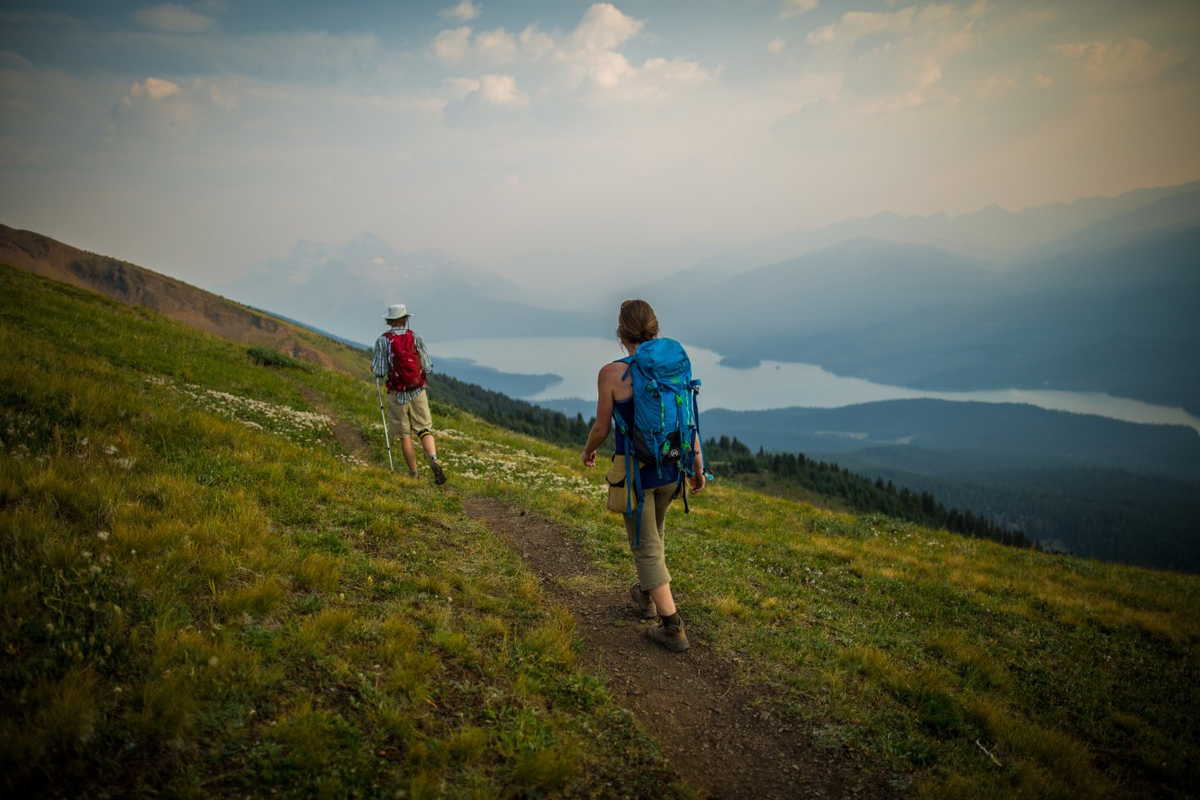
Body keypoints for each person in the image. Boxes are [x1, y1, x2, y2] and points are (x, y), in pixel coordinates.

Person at [582, 299, 705, 652]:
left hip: (635, 472)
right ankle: (648, 597)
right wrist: (697, 465)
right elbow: (688, 419)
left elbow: (602, 428)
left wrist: (589, 449)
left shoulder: (611, 373)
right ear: (655, 327)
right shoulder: (674, 366)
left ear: (621, 333)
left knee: (645, 546)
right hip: (671, 465)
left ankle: (672, 627)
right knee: (655, 535)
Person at [372, 303, 446, 485]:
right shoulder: (416, 337)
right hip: (417, 390)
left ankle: (413, 473)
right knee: (424, 428)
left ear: (389, 321)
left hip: (397, 393)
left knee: (405, 434)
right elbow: (427, 365)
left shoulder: (382, 341)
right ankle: (433, 458)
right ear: (406, 319)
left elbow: (379, 370)